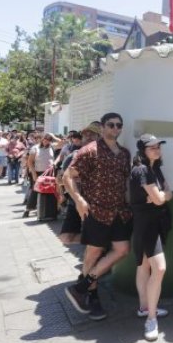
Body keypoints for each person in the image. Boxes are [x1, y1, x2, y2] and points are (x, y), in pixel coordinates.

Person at [62, 112, 132, 321]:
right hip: (97, 211)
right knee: (93, 253)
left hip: (119, 211)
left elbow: (125, 182)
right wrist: (79, 200)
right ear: (102, 127)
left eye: (119, 125)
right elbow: (67, 177)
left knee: (122, 250)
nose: (115, 128)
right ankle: (91, 295)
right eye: (111, 125)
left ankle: (81, 287)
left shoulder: (125, 153)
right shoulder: (89, 151)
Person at [130, 134, 173, 341]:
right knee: (159, 268)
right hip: (146, 226)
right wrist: (160, 196)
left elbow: (168, 193)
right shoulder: (142, 170)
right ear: (143, 151)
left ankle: (144, 308)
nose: (157, 149)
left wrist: (160, 196)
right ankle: (151, 319)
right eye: (152, 147)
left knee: (144, 266)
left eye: (158, 146)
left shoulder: (155, 169)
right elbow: (159, 199)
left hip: (154, 224)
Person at [58, 124, 101, 245]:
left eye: (92, 134)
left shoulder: (105, 155)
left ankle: (99, 241)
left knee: (95, 243)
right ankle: (99, 240)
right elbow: (60, 179)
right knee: (66, 238)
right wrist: (64, 190)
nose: (88, 136)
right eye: (85, 134)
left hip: (95, 204)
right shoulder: (74, 155)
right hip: (76, 202)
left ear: (99, 137)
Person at [23, 133, 54, 218]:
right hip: (39, 172)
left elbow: (62, 142)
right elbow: (30, 162)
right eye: (45, 139)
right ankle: (28, 209)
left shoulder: (51, 147)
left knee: (49, 191)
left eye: (48, 140)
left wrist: (52, 135)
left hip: (49, 173)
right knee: (35, 191)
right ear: (42, 139)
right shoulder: (35, 148)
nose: (46, 141)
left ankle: (47, 211)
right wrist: (33, 174)